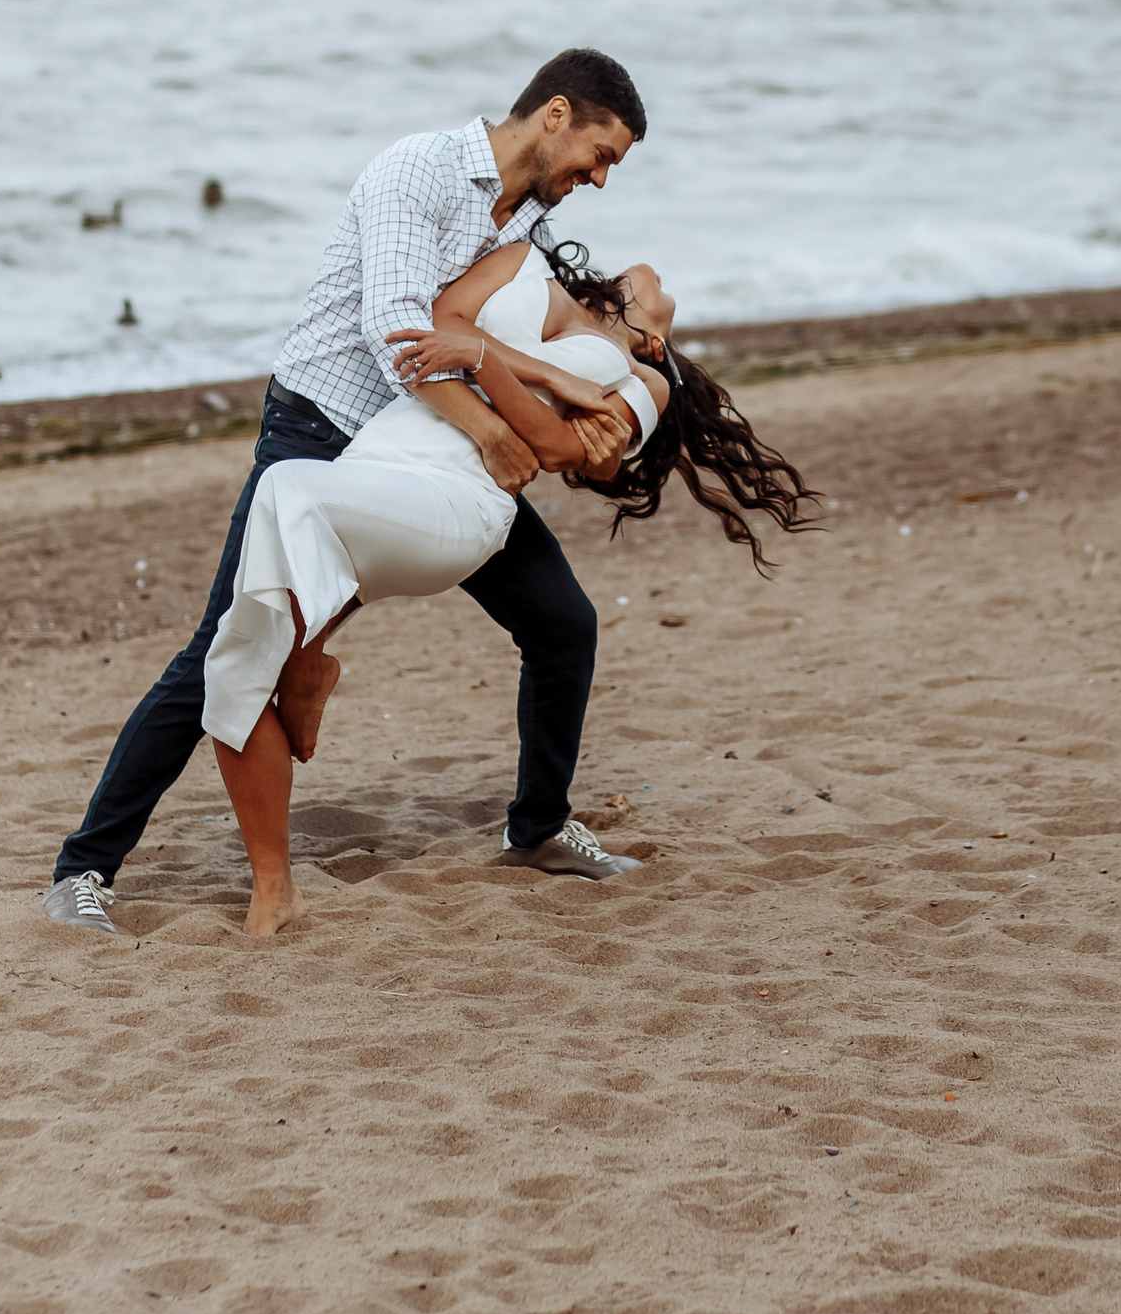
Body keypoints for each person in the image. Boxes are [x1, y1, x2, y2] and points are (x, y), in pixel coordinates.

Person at [43, 50, 645, 933]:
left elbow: (486, 337)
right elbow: (400, 330)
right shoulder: (420, 170)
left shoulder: (523, 231)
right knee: (222, 645)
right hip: (322, 435)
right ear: (556, 114)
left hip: (428, 454)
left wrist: (600, 396)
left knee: (563, 622)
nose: (598, 178)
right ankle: (82, 870)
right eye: (600, 154)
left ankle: (539, 826)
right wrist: (491, 430)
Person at [201, 239, 817, 934]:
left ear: (656, 340)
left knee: (282, 487)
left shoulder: (647, 384)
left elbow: (554, 448)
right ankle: (274, 883)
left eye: (668, 305)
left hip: (459, 502)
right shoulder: (523, 262)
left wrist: (483, 360)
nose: (659, 275)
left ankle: (308, 657)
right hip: (378, 459)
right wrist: (488, 358)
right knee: (233, 655)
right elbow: (439, 322)